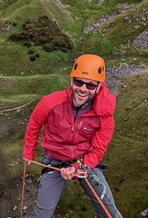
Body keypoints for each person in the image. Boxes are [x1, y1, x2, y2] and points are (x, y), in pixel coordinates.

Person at [22, 54, 123, 218]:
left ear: (99, 87)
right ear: (71, 80)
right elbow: (34, 123)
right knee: (41, 215)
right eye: (78, 82)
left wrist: (78, 168)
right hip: (54, 160)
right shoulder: (51, 102)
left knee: (110, 214)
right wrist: (28, 153)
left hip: (85, 162)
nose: (83, 89)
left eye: (90, 85)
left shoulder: (104, 115)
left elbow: (98, 149)